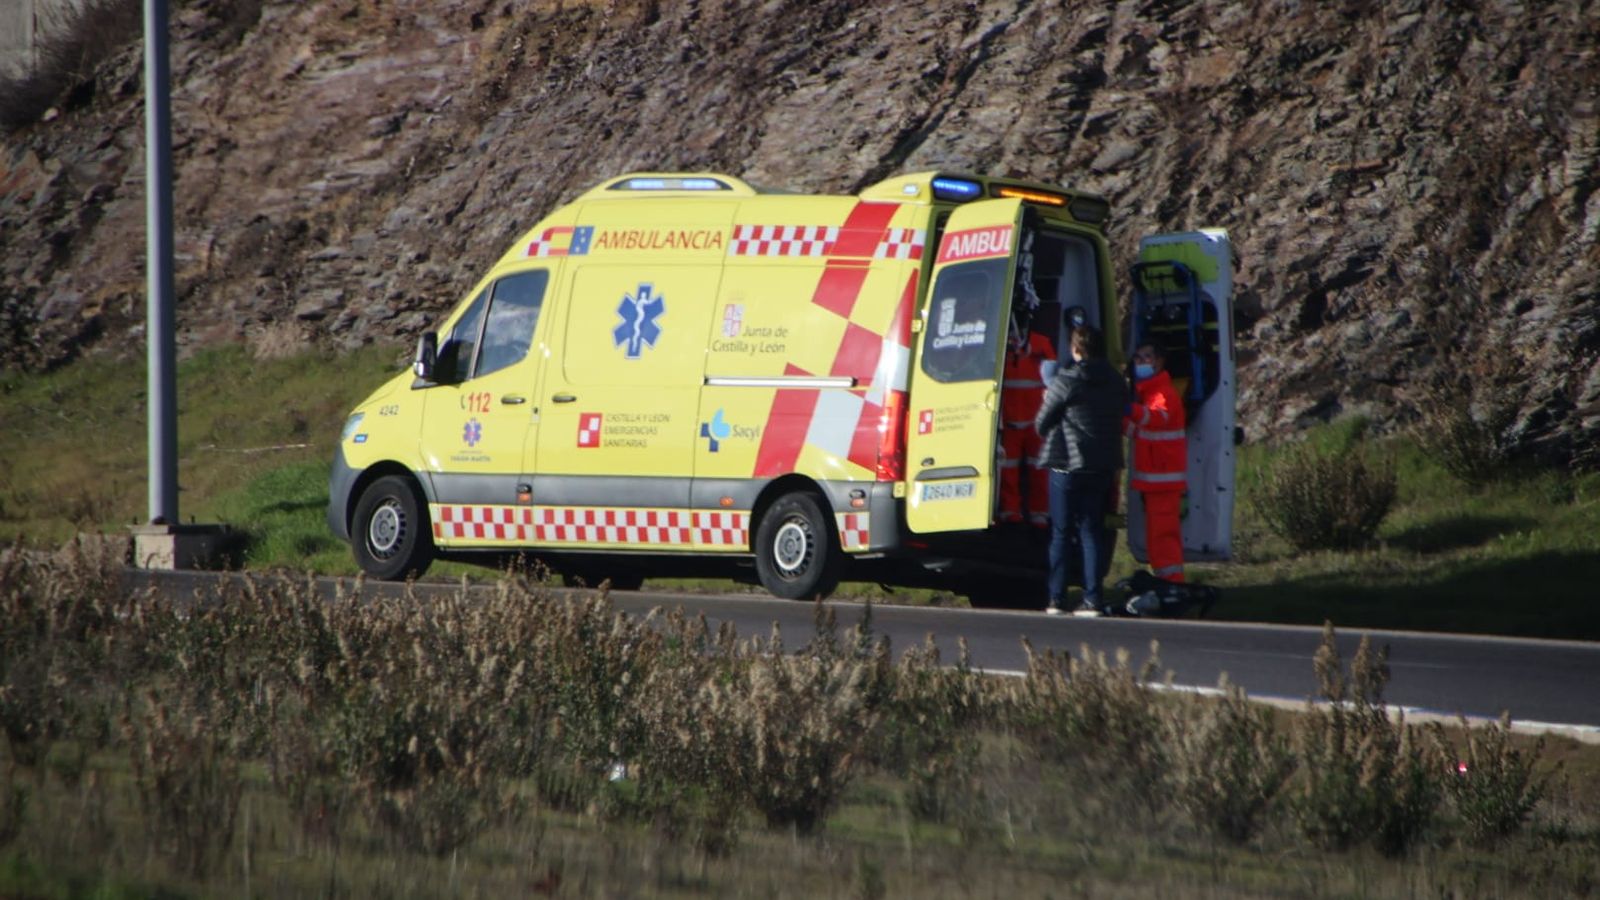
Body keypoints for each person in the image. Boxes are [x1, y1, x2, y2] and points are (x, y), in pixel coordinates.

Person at [1035, 325, 1128, 616]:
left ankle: (1056, 598)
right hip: (1103, 465)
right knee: (1092, 532)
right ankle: (1093, 599)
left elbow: (1041, 423)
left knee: (1062, 532)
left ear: (1076, 349)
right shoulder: (1115, 381)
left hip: (1067, 465)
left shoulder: (1065, 381)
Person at [1124, 342, 1187, 583]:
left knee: (1163, 538)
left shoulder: (1163, 393)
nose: (1141, 363)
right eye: (1137, 358)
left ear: (1159, 362)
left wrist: (1128, 408)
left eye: (1146, 357)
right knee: (1157, 538)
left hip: (1163, 480)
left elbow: (1155, 418)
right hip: (1155, 481)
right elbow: (1138, 431)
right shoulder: (1148, 393)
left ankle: (1172, 584)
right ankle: (1165, 582)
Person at [998, 329, 1057, 527]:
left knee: (1039, 469)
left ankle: (1039, 512)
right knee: (1008, 470)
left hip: (1035, 422)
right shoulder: (998, 341)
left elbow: (1053, 375)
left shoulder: (1041, 342)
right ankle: (1010, 511)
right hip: (1010, 420)